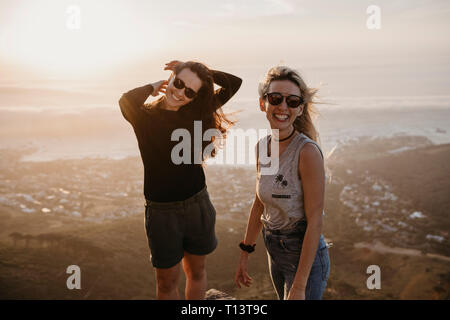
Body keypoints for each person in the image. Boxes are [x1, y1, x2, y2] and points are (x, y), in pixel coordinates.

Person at [119, 60, 242, 299]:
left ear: (196, 97)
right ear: (171, 78)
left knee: (197, 271)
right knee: (166, 283)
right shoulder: (144, 117)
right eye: (179, 83)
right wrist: (154, 86)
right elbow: (125, 100)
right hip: (161, 212)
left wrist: (205, 74)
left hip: (197, 203)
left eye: (190, 91)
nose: (181, 93)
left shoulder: (196, 111)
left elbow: (233, 84)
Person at [234, 66, 330, 300]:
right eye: (276, 98)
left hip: (303, 257)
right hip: (274, 250)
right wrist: (245, 252)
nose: (283, 107)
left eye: (293, 101)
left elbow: (315, 221)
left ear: (300, 109)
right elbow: (259, 202)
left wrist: (299, 286)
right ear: (262, 103)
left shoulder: (306, 152)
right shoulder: (262, 147)